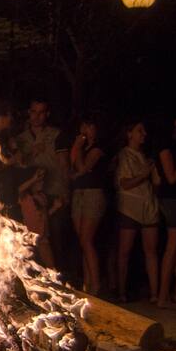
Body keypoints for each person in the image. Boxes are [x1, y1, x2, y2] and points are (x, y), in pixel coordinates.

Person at [15, 100, 70, 269]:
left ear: (47, 114)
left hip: (54, 192)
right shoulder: (21, 139)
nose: (37, 116)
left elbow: (64, 165)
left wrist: (66, 191)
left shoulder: (56, 135)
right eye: (33, 112)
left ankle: (59, 279)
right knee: (33, 241)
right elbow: (18, 165)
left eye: (41, 112)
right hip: (29, 196)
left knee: (55, 239)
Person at [114, 121, 160, 303]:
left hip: (148, 206)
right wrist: (144, 175)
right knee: (124, 251)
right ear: (129, 133)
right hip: (129, 207)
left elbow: (156, 183)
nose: (144, 134)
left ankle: (156, 294)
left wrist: (153, 174)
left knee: (151, 251)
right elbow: (124, 183)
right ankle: (121, 292)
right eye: (139, 131)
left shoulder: (145, 157)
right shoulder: (125, 156)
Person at [69, 118, 108, 295]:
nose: (86, 129)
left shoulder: (97, 149)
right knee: (82, 241)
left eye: (90, 125)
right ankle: (87, 283)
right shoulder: (81, 149)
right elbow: (72, 168)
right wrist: (77, 148)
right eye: (84, 125)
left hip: (93, 194)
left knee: (87, 240)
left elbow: (83, 168)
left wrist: (77, 148)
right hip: (79, 194)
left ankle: (96, 285)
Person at [155, 118, 176, 308]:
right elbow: (170, 178)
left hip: (175, 199)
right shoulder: (165, 148)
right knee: (172, 246)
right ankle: (163, 296)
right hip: (173, 200)